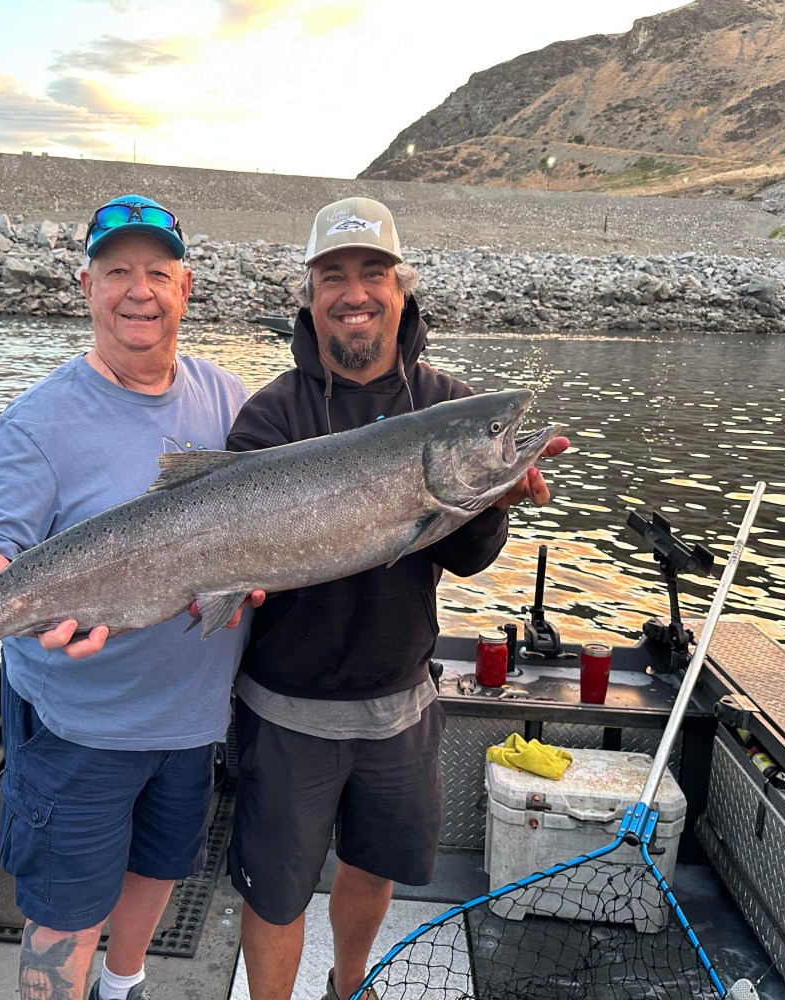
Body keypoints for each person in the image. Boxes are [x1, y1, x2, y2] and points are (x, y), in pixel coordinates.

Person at [224, 196, 570, 1000]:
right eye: (334, 277)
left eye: (372, 274)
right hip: (286, 711)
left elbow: (474, 560)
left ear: (400, 289)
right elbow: (235, 567)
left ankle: (350, 988)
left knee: (373, 870)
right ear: (310, 295)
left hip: (400, 707)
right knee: (274, 894)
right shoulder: (270, 414)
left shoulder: (446, 402)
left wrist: (493, 499)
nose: (355, 293)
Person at [0, 194, 259, 1000]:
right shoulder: (37, 423)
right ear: (85, 286)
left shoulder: (230, 401)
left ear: (185, 288)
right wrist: (6, 619)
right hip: (79, 727)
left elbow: (282, 514)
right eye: (117, 271)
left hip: (189, 720)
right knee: (66, 908)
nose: (138, 290)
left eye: (157, 271)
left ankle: (124, 986)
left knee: (159, 868)